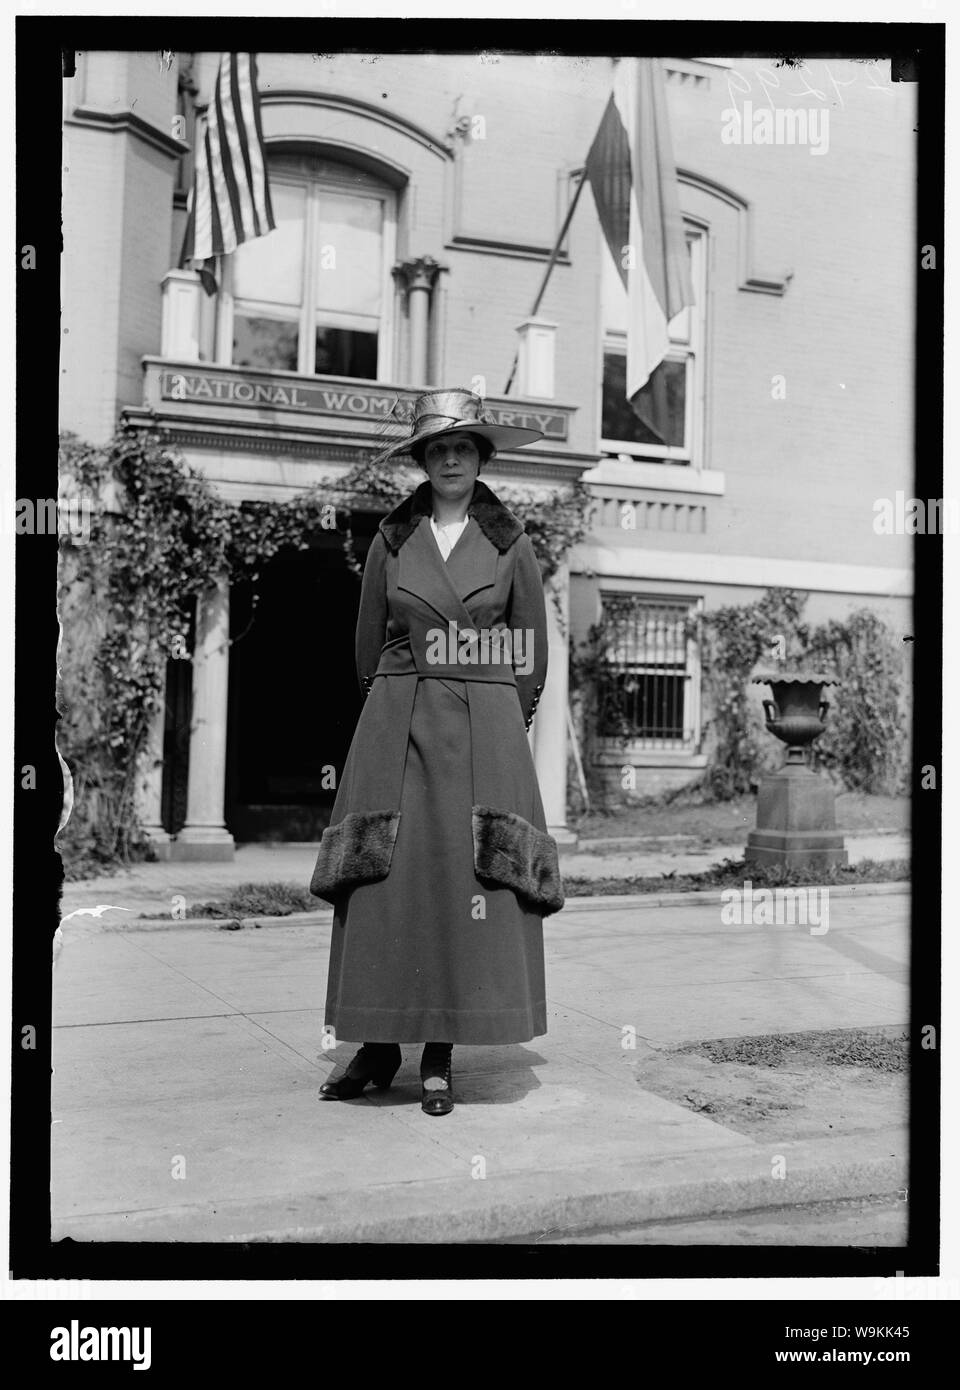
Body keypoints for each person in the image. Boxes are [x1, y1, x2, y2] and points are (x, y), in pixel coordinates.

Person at [309, 388, 564, 1116]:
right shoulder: (391, 542)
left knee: (463, 887)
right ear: (422, 462)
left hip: (482, 725)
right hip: (398, 714)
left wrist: (494, 718)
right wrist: (392, 709)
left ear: (482, 458)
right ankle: (379, 1042)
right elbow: (366, 647)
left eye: (464, 447)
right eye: (437, 449)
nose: (451, 458)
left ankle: (443, 1048)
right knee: (387, 885)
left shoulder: (512, 544)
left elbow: (529, 653)